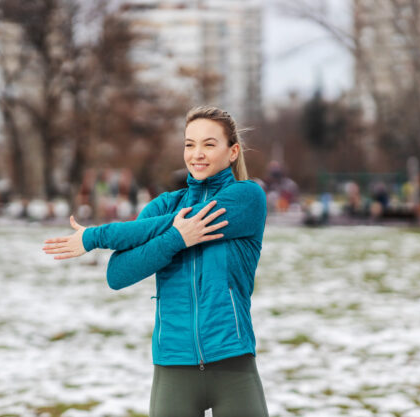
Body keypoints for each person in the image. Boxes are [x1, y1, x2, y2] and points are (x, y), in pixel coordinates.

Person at [42, 106, 269, 417]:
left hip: (233, 363)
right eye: (189, 144)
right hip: (173, 367)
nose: (197, 154)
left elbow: (171, 224)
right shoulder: (163, 205)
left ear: (233, 152)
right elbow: (117, 274)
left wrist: (94, 237)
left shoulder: (247, 198)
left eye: (209, 144)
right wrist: (176, 238)